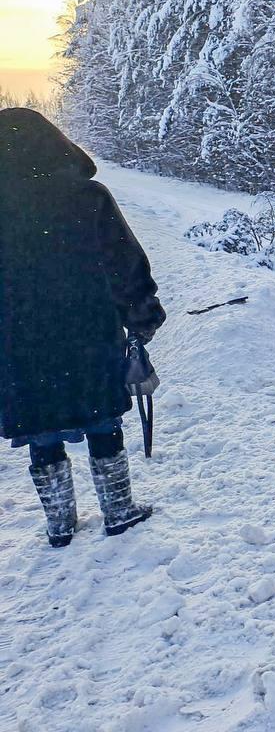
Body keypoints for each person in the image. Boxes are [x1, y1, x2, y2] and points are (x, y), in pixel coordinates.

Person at [0, 108, 166, 547]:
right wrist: (142, 315)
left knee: (40, 425)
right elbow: (123, 262)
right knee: (102, 418)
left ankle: (59, 524)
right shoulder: (88, 197)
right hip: (88, 329)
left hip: (18, 339)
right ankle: (119, 512)